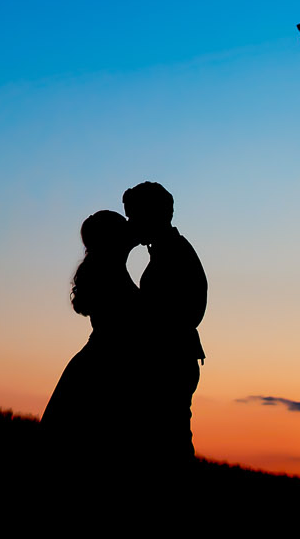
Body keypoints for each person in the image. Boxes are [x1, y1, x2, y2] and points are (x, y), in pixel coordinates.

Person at [42, 209, 152, 466]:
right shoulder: (109, 274)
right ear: (113, 239)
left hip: (100, 366)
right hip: (104, 371)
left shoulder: (110, 269)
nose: (130, 227)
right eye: (122, 225)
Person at [123, 180, 207, 467]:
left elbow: (186, 311)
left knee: (170, 449)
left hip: (169, 363)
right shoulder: (169, 251)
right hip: (171, 360)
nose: (130, 222)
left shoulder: (174, 254)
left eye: (133, 215)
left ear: (151, 214)